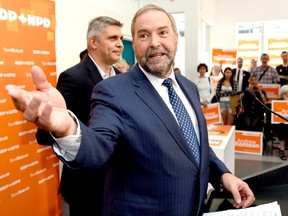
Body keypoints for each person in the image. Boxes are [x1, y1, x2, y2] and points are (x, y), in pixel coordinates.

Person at [6, 4, 255, 216]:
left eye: (163, 32)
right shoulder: (113, 90)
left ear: (176, 38)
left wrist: (223, 175)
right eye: (144, 35)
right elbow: (98, 146)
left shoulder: (188, 87)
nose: (155, 42)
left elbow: (194, 146)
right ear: (134, 43)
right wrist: (67, 127)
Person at [37, 16, 123, 216]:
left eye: (120, 38)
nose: (119, 44)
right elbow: (45, 135)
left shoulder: (122, 78)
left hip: (120, 181)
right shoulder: (73, 78)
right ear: (93, 42)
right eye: (112, 38)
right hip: (87, 184)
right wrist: (58, 126)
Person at [272, 85, 288, 160]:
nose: (287, 94)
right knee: (283, 127)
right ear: (281, 93)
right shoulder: (277, 102)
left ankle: (281, 148)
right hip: (279, 124)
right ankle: (282, 148)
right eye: (285, 93)